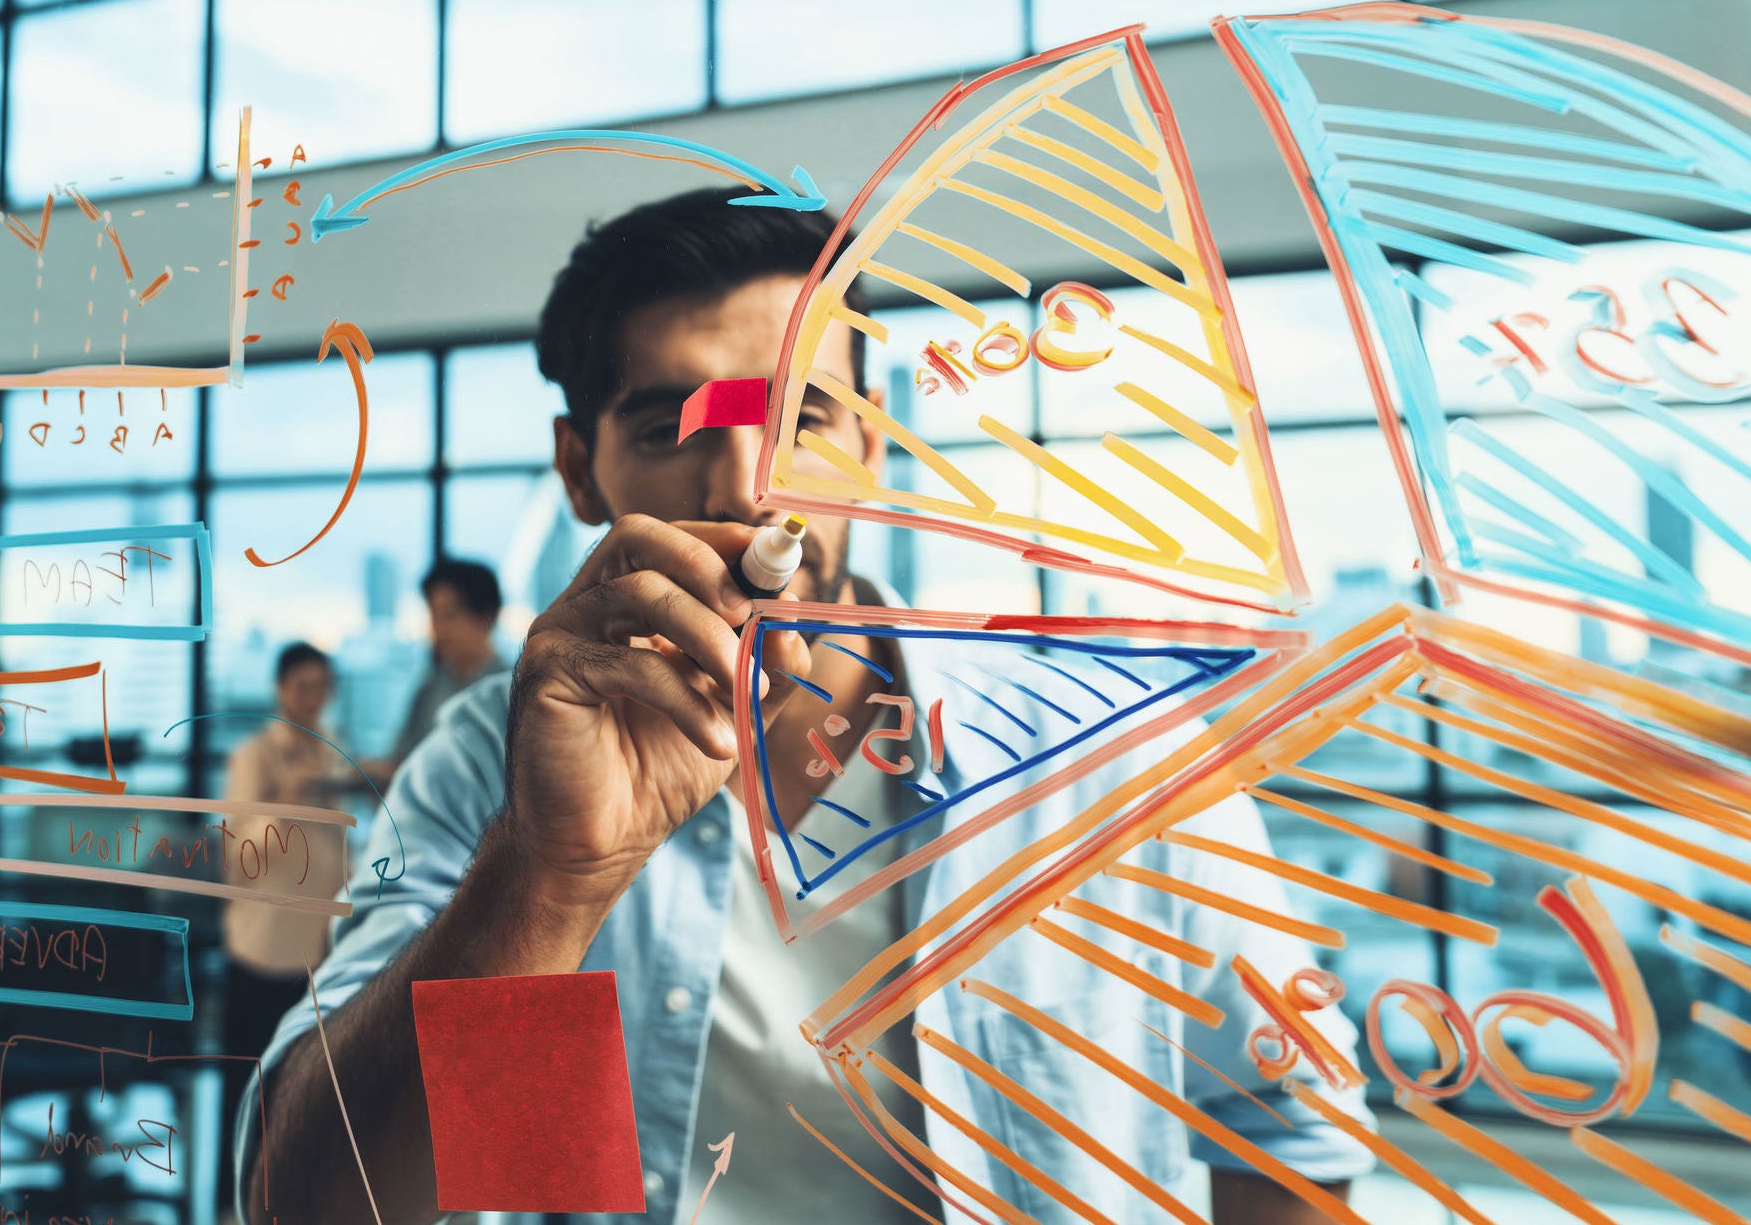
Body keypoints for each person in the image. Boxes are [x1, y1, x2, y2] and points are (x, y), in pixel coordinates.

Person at [238, 190, 1374, 1224]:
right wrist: (547, 878)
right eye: (668, 427)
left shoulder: (1103, 755)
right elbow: (317, 1206)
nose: (738, 488)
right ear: (580, 472)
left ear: (869, 452)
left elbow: (1283, 1140)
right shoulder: (486, 769)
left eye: (802, 421)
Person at [220, 640, 360, 1213]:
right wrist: (287, 799)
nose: (312, 700)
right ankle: (233, 1206)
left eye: (322, 689)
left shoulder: (335, 754)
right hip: (261, 949)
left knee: (307, 1094)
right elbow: (238, 856)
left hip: (317, 953)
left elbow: (340, 850)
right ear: (281, 691)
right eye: (303, 688)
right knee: (248, 1095)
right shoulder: (253, 758)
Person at [382, 558, 509, 777]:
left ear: (486, 616)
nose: (437, 629)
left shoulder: (512, 692)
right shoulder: (430, 687)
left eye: (448, 615)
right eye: (433, 615)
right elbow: (400, 761)